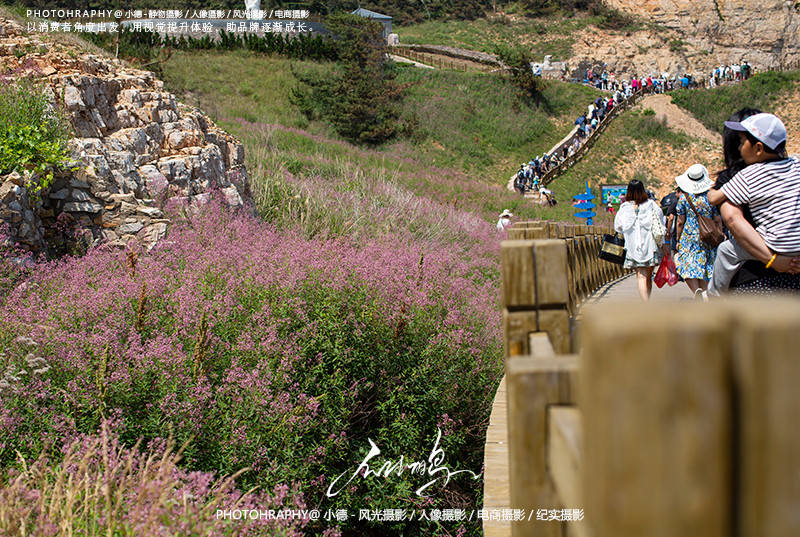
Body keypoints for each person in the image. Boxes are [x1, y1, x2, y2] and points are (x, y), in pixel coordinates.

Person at [706, 112, 800, 294]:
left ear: (758, 148)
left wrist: (711, 191)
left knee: (726, 250)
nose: (739, 146)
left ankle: (714, 296)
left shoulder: (748, 175)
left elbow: (724, 209)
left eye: (742, 142)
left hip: (771, 251)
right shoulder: (795, 165)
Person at [614, 179, 667, 300]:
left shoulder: (625, 207)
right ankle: (646, 301)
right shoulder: (651, 205)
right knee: (648, 275)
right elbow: (660, 221)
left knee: (641, 276)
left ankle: (645, 303)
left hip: (633, 247)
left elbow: (618, 226)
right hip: (650, 246)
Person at [673, 164, 720, 296]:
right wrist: (719, 234)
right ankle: (704, 294)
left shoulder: (684, 198)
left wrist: (678, 239)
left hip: (689, 236)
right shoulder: (710, 197)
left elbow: (680, 221)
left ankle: (696, 291)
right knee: (705, 265)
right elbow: (717, 219)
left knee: (687, 264)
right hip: (708, 235)